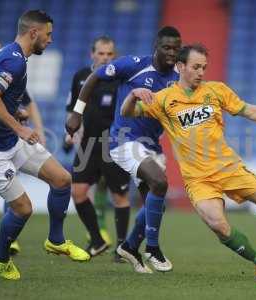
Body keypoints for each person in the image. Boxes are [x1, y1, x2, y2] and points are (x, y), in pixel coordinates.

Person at [120, 44, 256, 281]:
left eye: (204, 67)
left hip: (229, 168)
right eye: (196, 67)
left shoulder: (216, 90)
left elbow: (250, 111)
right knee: (217, 224)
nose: (201, 72)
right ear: (181, 67)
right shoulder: (163, 99)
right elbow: (127, 112)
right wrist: (132, 95)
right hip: (198, 179)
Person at [0, 10, 89, 281]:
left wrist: (17, 115)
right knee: (23, 208)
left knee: (61, 179)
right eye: (48, 34)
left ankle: (56, 241)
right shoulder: (14, 61)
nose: (50, 39)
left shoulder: (15, 56)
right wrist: (21, 127)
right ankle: (0, 255)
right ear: (34, 33)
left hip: (7, 139)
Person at [66, 26, 182, 273]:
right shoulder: (133, 64)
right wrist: (77, 112)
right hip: (123, 140)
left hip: (151, 144)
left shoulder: (177, 78)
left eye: (176, 48)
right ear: (156, 48)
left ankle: (129, 247)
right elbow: (95, 76)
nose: (172, 53)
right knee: (159, 183)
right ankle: (152, 248)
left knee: (156, 201)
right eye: (167, 47)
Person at [63, 36, 131, 259]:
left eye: (110, 54)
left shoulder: (120, 79)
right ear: (92, 54)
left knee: (119, 196)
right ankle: (97, 239)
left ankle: (122, 247)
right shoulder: (81, 77)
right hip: (87, 144)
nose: (105, 58)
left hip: (113, 143)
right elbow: (73, 109)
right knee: (78, 192)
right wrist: (69, 133)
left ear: (115, 56)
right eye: (101, 53)